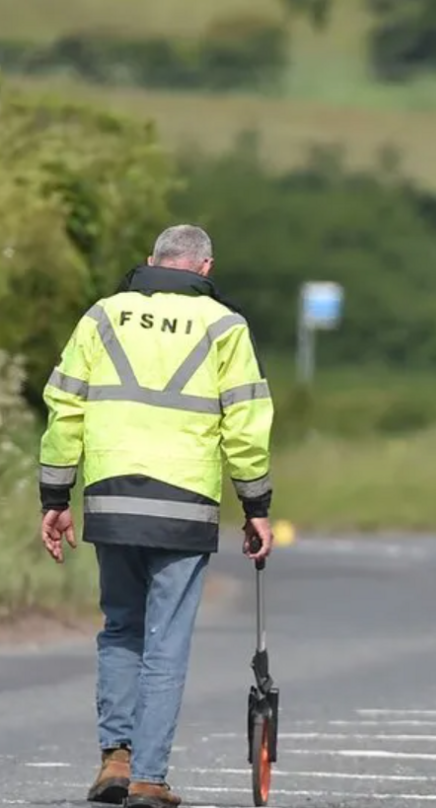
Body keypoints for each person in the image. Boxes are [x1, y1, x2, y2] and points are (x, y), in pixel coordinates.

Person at [36, 224, 275, 808]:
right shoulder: (225, 325)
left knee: (120, 626)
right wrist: (256, 507)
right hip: (183, 502)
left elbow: (65, 405)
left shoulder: (102, 315)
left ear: (151, 261)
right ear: (206, 268)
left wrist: (55, 497)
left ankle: (113, 761)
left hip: (112, 497)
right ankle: (148, 777)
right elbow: (245, 423)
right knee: (165, 641)